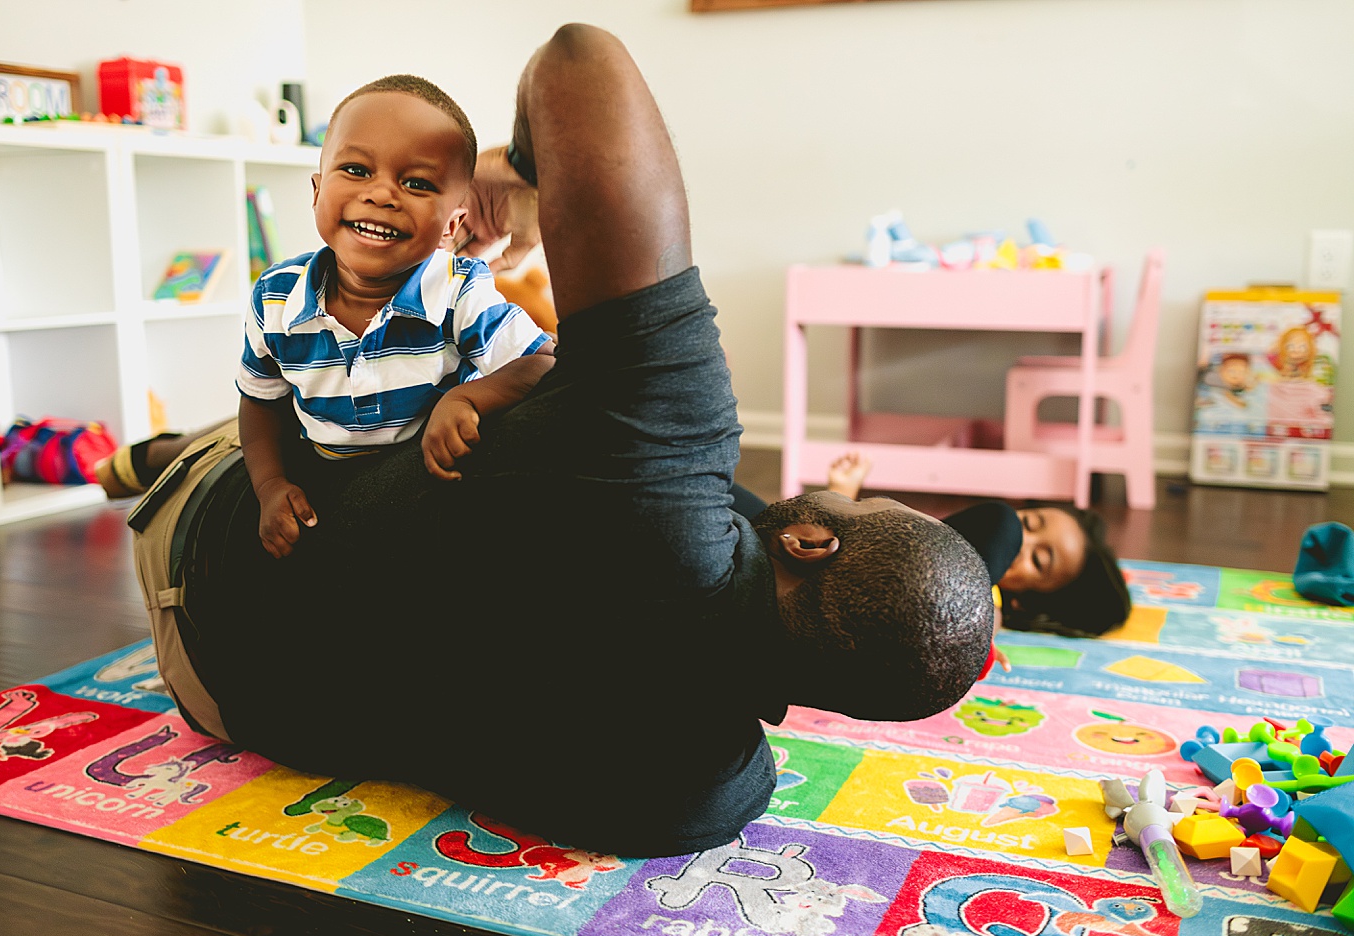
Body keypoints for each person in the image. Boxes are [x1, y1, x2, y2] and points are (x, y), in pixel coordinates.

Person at [133, 23, 995, 858]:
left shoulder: (659, 438)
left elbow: (581, 62)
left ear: (813, 539)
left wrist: (515, 175)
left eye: (859, 501)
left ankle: (158, 456)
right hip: (237, 706)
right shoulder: (708, 793)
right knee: (464, 415)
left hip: (205, 554)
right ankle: (162, 451)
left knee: (372, 397)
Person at [104, 74, 555, 560]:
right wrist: (271, 485)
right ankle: (151, 457)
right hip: (313, 451)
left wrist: (468, 397)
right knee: (223, 447)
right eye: (357, 170)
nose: (383, 194)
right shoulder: (276, 297)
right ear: (316, 190)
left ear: (452, 223)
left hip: (409, 476)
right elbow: (261, 404)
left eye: (417, 183)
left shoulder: (459, 287)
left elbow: (544, 361)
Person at [814, 450, 1131, 638]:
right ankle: (836, 506)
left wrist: (982, 639)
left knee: (1001, 524)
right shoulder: (939, 535)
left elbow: (984, 625)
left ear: (1024, 600)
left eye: (1038, 561)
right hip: (825, 562)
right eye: (1029, 524)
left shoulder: (987, 600)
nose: (1023, 542)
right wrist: (843, 493)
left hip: (860, 604)